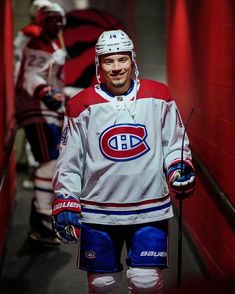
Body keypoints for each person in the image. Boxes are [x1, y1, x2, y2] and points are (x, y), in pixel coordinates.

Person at [51, 30, 196, 292]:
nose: (117, 68)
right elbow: (70, 161)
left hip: (150, 209)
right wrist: (65, 198)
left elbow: (174, 144)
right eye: (109, 61)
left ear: (132, 60)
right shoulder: (80, 104)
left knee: (146, 283)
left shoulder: (159, 95)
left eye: (122, 59)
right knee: (102, 283)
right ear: (99, 65)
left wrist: (179, 165)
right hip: (98, 212)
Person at [15, 2, 67, 245]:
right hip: (37, 110)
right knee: (50, 162)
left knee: (51, 162)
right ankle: (45, 217)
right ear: (41, 21)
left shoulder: (51, 42)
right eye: (50, 19)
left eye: (58, 19)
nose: (55, 24)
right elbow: (30, 75)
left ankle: (40, 226)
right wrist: (46, 94)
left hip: (46, 110)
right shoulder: (36, 42)